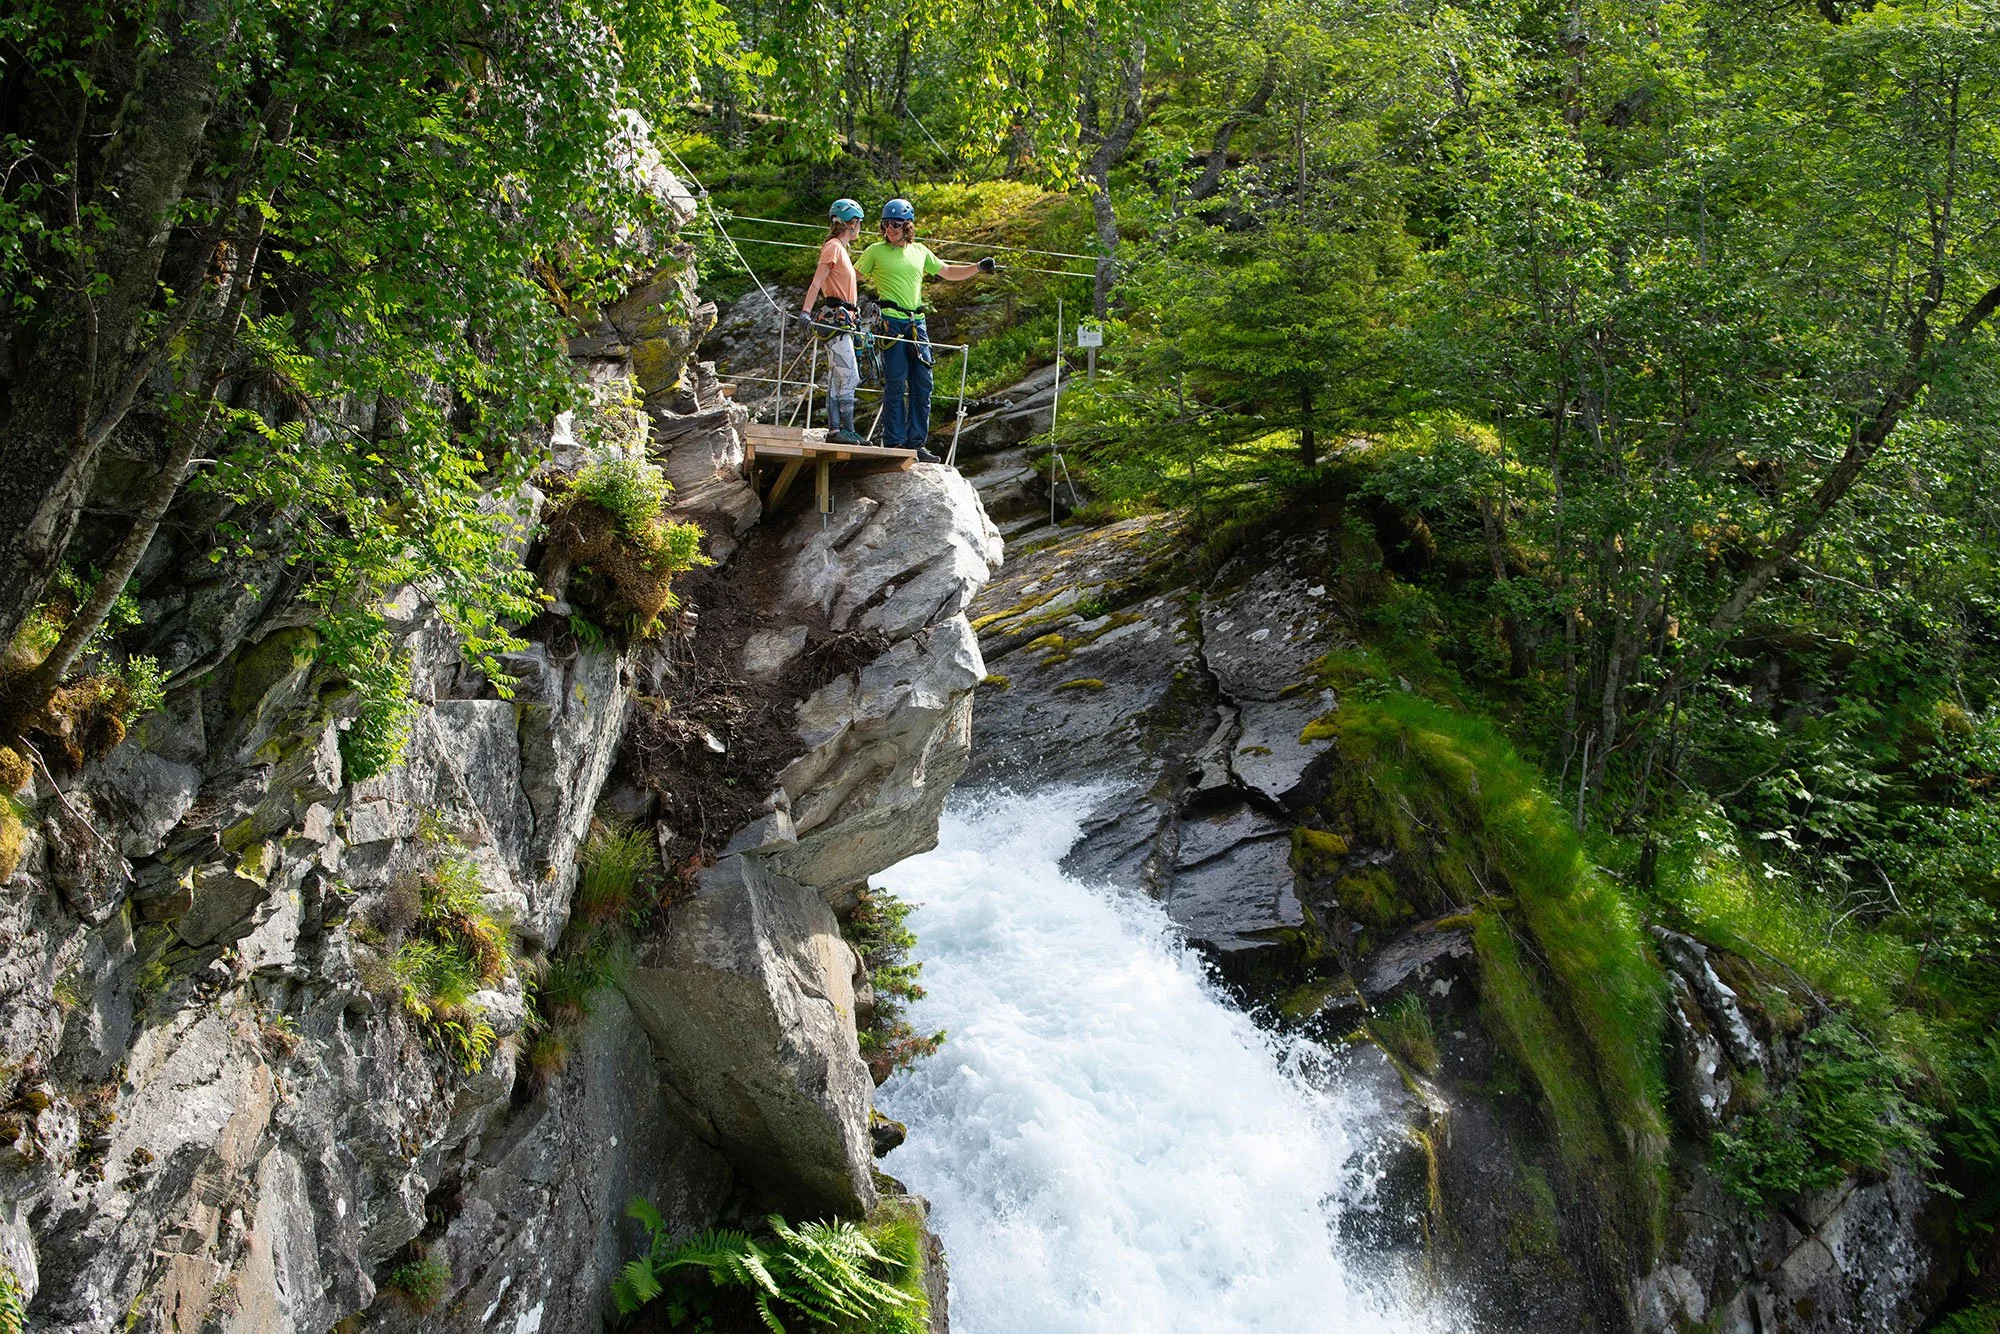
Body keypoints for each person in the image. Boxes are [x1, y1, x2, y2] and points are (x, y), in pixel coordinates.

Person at [854, 197, 994, 462]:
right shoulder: (875, 251)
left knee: (923, 382)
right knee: (896, 381)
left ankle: (916, 444)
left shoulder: (920, 251)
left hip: (917, 324)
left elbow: (948, 271)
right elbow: (852, 276)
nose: (890, 230)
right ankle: (895, 443)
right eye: (885, 224)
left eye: (895, 224)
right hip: (891, 323)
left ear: (907, 225)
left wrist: (977, 268)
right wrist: (829, 270)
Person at [799, 198, 867, 444]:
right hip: (835, 319)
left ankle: (840, 431)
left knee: (840, 376)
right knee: (850, 376)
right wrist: (806, 311)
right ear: (853, 223)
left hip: (844, 319)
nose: (859, 228)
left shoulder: (841, 249)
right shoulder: (833, 248)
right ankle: (842, 431)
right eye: (859, 223)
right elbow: (817, 282)